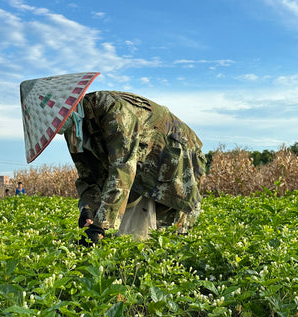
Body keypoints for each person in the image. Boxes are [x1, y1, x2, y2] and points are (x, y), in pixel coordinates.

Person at [20, 72, 206, 244]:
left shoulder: (112, 110)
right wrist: (86, 209)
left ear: (67, 107)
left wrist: (100, 225)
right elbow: (87, 177)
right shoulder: (74, 132)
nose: (57, 129)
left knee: (166, 233)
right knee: (133, 231)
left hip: (174, 156)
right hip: (141, 168)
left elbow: (123, 168)